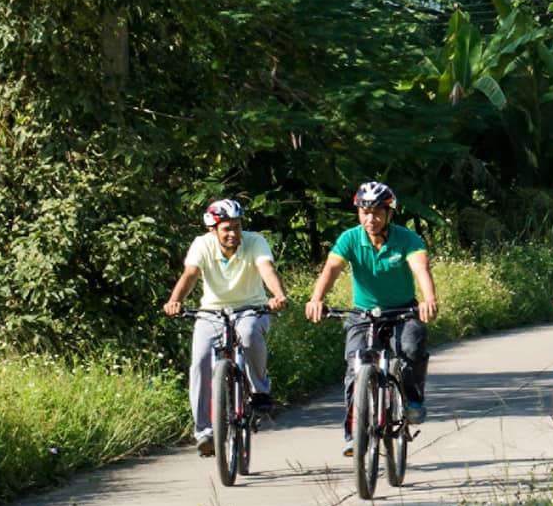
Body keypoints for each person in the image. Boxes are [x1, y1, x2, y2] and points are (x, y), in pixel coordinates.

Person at [305, 181, 439, 456]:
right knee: (355, 369)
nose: (370, 219)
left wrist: (428, 300)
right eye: (365, 212)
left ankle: (413, 399)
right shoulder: (350, 238)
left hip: (403, 311)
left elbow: (421, 269)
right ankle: (354, 434)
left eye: (377, 212)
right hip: (363, 314)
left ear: (390, 213)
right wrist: (317, 299)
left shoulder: (407, 239)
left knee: (410, 348)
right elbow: (331, 269)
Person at [164, 197, 287, 456]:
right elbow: (190, 275)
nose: (233, 233)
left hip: (251, 309)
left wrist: (277, 295)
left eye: (237, 226)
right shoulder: (202, 245)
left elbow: (266, 269)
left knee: (249, 333)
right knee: (199, 362)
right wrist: (175, 301)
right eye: (227, 229)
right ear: (213, 230)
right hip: (211, 312)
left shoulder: (255, 242)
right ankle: (204, 432)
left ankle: (259, 390)